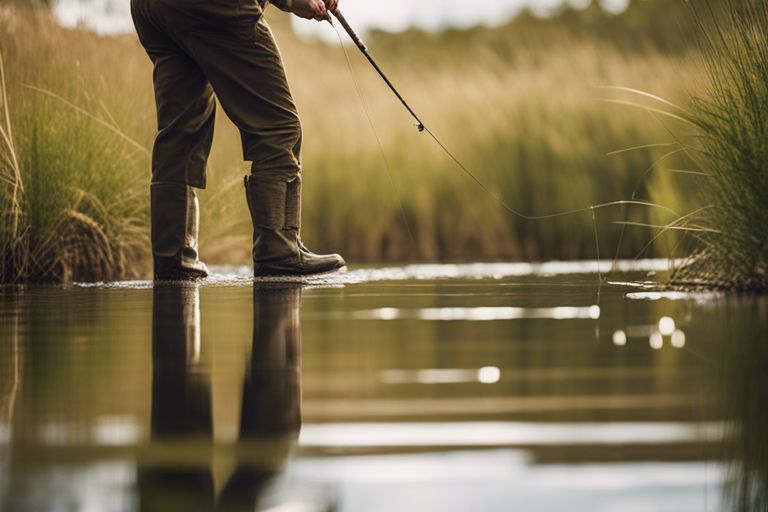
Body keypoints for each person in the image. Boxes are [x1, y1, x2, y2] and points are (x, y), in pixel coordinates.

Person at [130, 0, 346, 281]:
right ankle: (280, 250)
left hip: (152, 9)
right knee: (279, 127)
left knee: (181, 130)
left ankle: (174, 256)